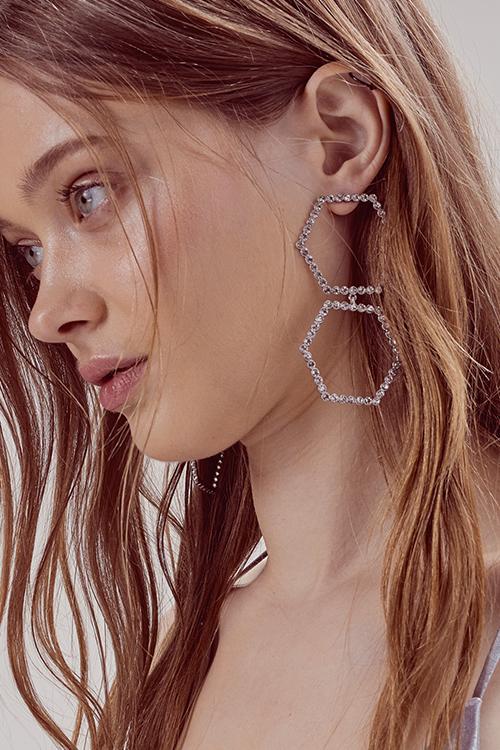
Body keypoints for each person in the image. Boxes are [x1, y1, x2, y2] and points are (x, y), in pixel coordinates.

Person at [0, 1, 498, 749]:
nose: (46, 314)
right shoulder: (177, 667)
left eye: (88, 195)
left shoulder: (482, 650)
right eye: (29, 251)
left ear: (338, 138)